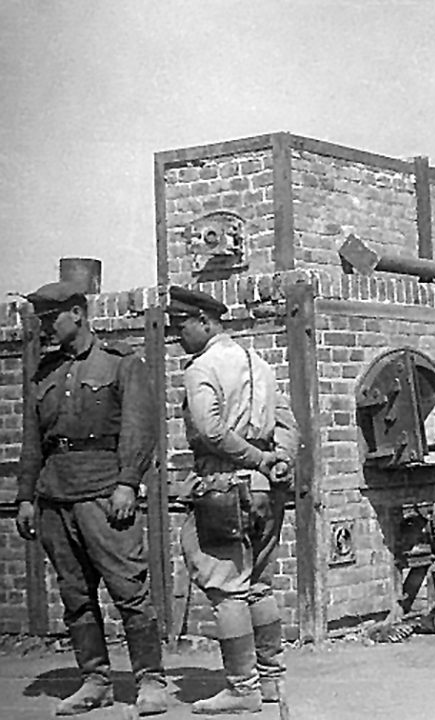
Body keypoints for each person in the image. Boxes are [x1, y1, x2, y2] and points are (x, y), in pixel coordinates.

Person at [15, 281, 170, 716]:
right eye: (42, 319)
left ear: (79, 313)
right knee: (75, 596)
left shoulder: (120, 364)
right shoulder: (45, 373)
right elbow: (32, 442)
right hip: (55, 496)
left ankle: (150, 679)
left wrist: (127, 482)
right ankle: (95, 679)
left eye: (52, 318)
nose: (46, 326)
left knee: (129, 589)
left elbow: (140, 427)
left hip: (104, 493)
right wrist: (26, 495)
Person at [165, 285, 298, 715]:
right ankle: (272, 682)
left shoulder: (202, 367)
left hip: (224, 486)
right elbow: (287, 425)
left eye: (181, 325)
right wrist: (277, 463)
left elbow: (211, 432)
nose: (176, 335)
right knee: (259, 585)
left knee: (227, 589)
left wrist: (258, 459)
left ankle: (243, 687)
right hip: (265, 489)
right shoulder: (260, 365)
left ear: (205, 321)